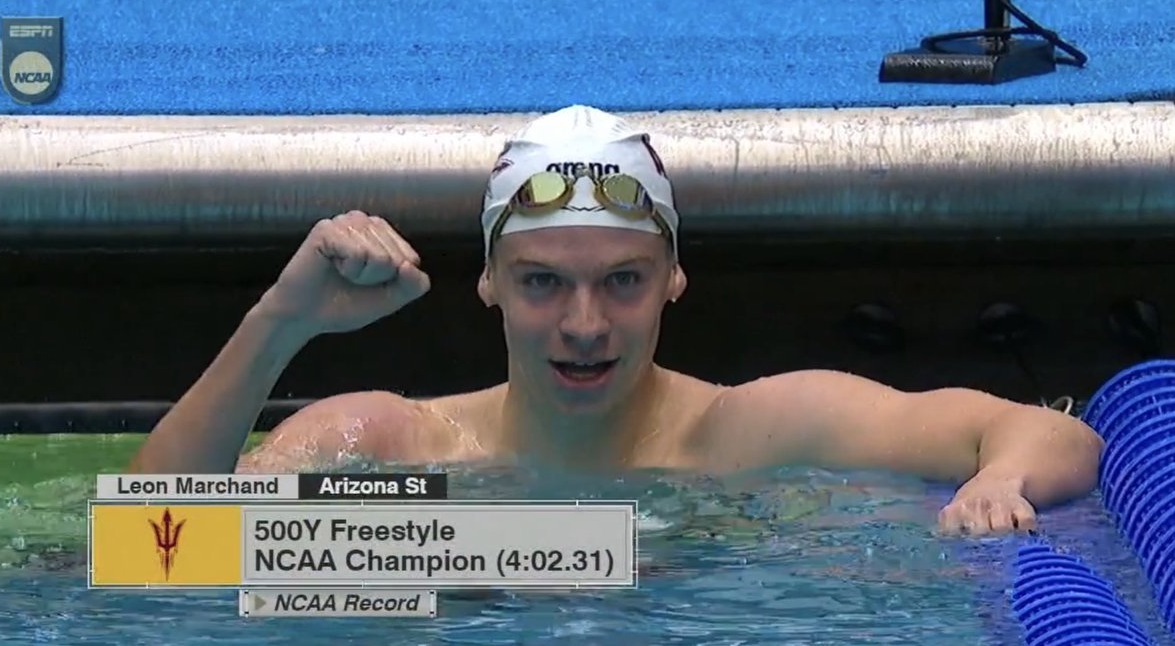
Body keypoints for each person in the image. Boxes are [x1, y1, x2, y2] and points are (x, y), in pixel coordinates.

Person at [129, 105, 1104, 537]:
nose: (584, 322)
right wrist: (278, 323)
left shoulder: (756, 430)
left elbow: (1047, 431)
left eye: (623, 281)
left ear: (674, 279)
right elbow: (144, 542)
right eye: (544, 282)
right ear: (490, 285)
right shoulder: (390, 440)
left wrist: (1000, 477)